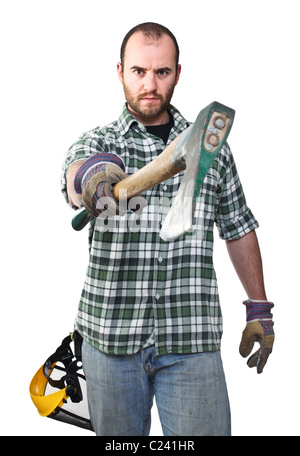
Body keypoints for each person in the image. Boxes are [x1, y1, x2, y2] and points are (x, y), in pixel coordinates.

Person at [61, 22, 274, 436]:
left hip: (190, 337)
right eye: (139, 71)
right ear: (120, 71)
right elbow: (76, 177)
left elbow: (238, 227)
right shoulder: (98, 143)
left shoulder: (211, 148)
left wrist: (259, 307)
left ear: (178, 73)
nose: (150, 84)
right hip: (110, 340)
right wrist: (93, 179)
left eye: (162, 72)